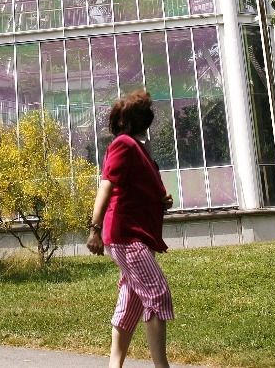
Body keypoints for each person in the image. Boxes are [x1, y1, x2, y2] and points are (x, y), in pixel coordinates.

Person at [86, 89, 174, 368]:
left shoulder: (138, 150)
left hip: (133, 234)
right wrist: (94, 228)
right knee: (157, 294)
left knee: (132, 302)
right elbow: (106, 185)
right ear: (128, 122)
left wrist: (161, 198)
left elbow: (136, 187)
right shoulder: (123, 144)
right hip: (126, 235)